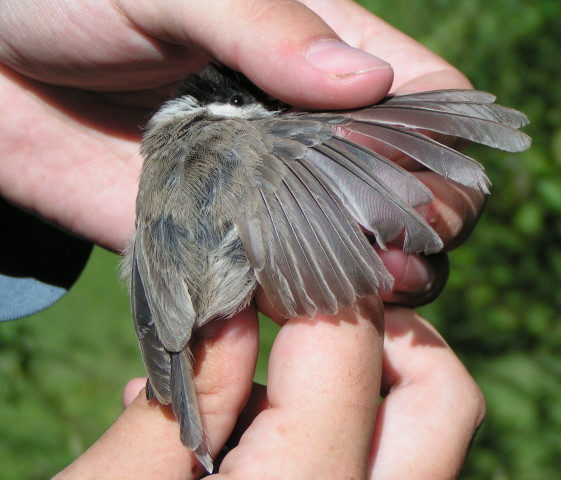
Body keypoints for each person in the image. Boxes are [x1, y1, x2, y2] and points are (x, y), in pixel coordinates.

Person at [0, 0, 486, 478]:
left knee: (190, 395)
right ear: (225, 104)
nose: (270, 115)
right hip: (203, 282)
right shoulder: (252, 134)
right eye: (257, 107)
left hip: (165, 287)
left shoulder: (173, 146)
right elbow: (308, 152)